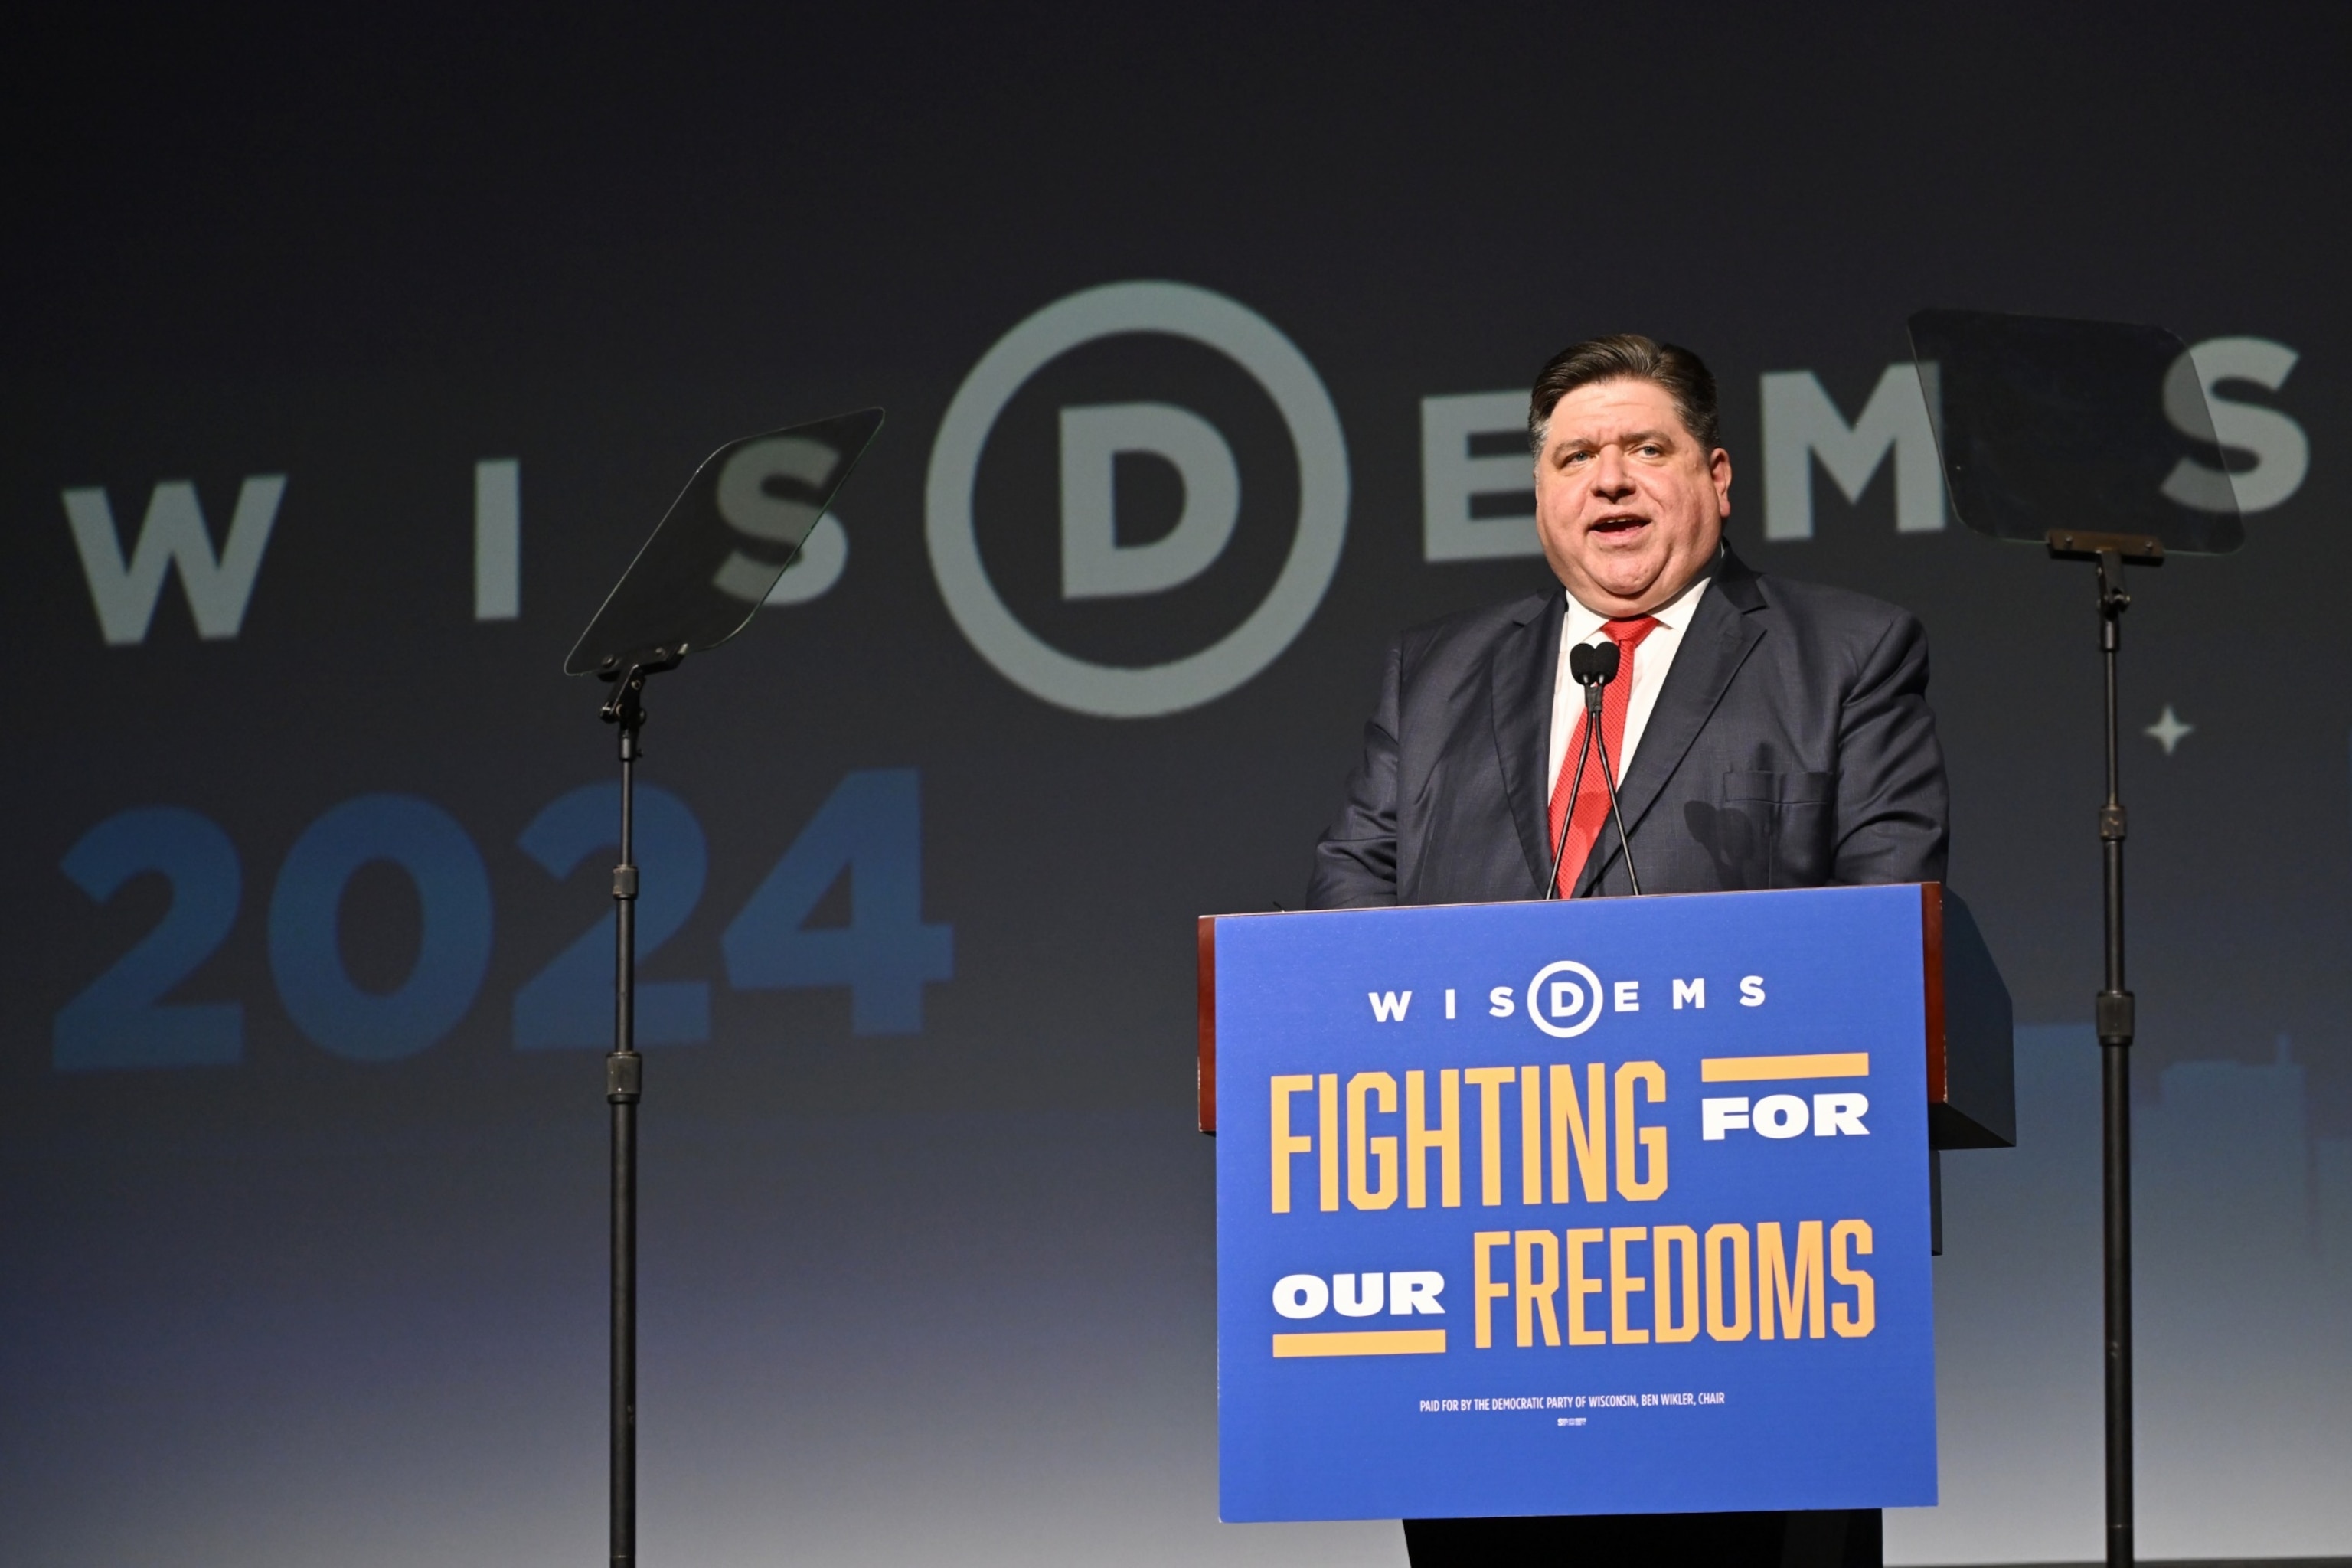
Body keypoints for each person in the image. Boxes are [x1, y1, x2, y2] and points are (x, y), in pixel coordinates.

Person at [1306, 334, 1947, 1566]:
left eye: (1645, 450)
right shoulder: (1435, 672)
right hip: (1483, 1259)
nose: (1609, 481)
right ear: (1542, 493)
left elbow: (1886, 906)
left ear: (1715, 476)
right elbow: (1352, 880)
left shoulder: (1848, 655)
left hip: (1754, 1268)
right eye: (1575, 456)